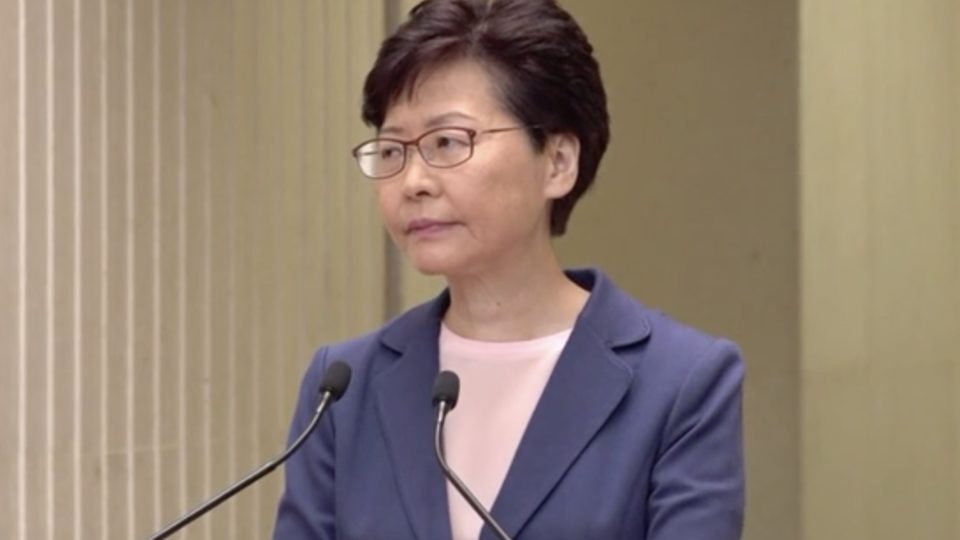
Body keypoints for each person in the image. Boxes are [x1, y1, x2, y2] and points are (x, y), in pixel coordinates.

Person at [273, 0, 745, 538]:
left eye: (447, 142)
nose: (413, 182)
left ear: (558, 162)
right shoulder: (342, 388)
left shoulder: (681, 382)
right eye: (392, 150)